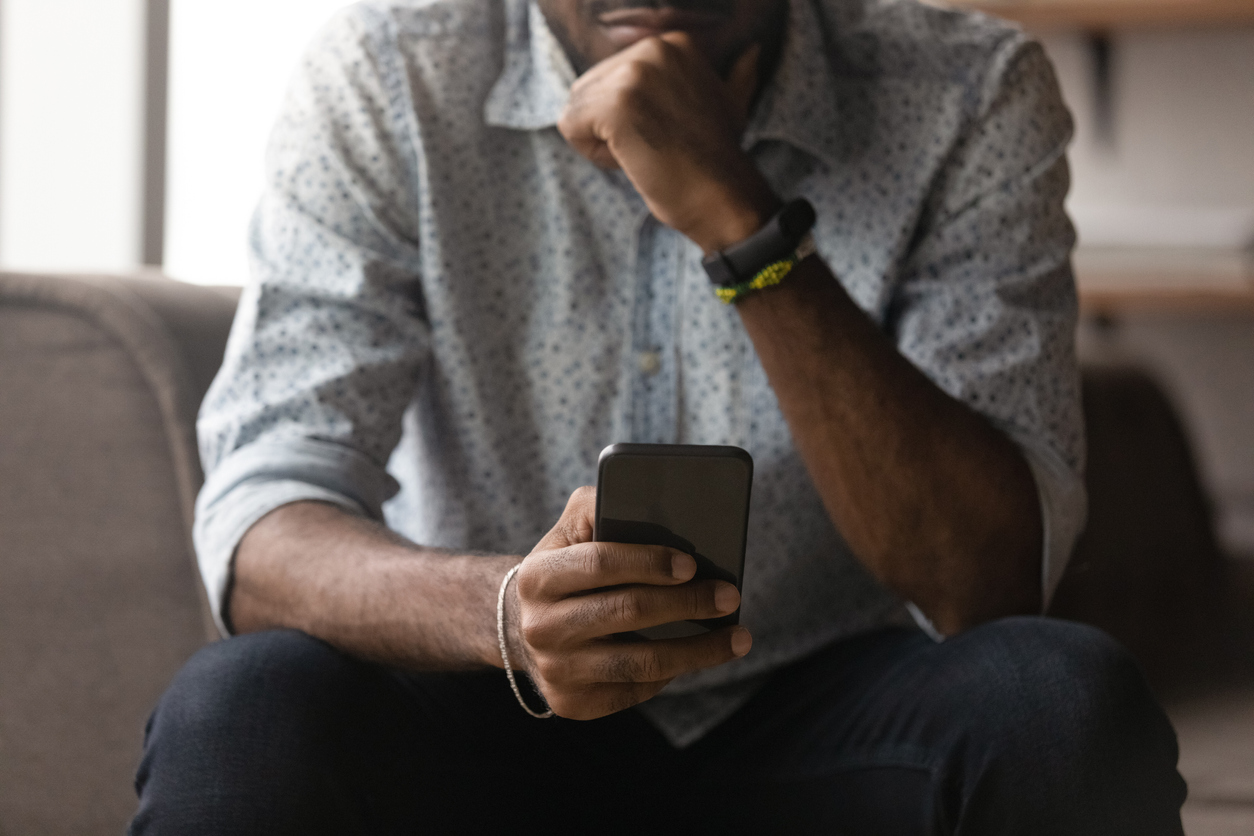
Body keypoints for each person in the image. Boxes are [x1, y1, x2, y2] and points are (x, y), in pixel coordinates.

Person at [130, 0, 1187, 832]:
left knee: (1058, 700)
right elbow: (264, 523)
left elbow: (986, 577)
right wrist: (502, 608)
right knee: (242, 707)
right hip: (493, 699)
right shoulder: (387, 74)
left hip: (827, 706)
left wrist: (744, 226)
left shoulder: (967, 87)